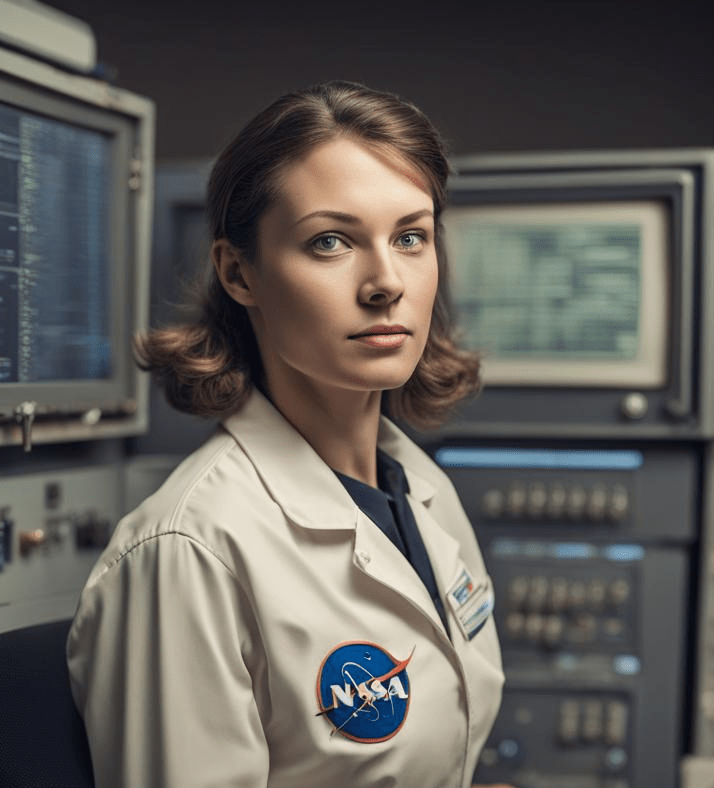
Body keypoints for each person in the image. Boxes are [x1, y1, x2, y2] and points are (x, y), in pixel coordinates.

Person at [67, 80, 509, 788]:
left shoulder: (423, 493)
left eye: (411, 236)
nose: (385, 282)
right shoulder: (189, 553)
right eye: (330, 241)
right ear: (239, 272)